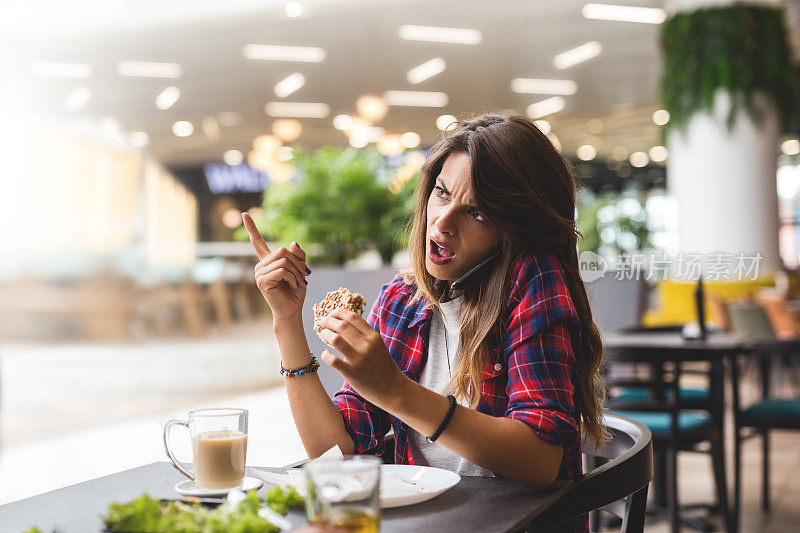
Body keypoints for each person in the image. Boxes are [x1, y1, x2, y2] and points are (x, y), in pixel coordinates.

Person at [243, 113, 605, 532]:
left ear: (516, 229)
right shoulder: (404, 299)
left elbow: (541, 459)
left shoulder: (533, 280)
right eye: (442, 192)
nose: (443, 221)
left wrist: (396, 392)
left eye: (478, 214)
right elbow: (337, 455)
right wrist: (287, 322)